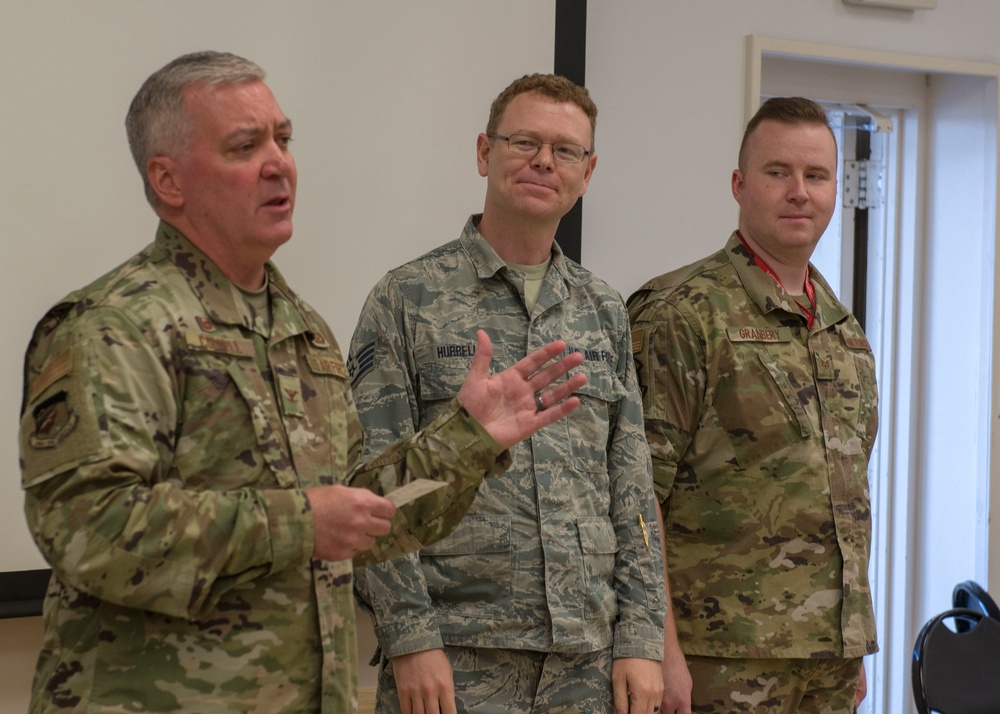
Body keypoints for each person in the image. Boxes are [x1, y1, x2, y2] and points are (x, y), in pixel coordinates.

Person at [18, 51, 588, 714]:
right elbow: (88, 527)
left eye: (283, 139)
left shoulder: (303, 331)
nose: (278, 163)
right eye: (244, 145)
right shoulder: (113, 325)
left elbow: (364, 515)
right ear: (168, 180)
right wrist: (297, 522)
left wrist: (467, 443)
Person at [348, 74, 667, 714]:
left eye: (566, 150)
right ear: (483, 153)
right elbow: (368, 489)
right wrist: (410, 638)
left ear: (588, 171)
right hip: (456, 657)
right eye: (524, 141)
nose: (544, 161)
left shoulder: (604, 308)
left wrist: (642, 636)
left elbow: (630, 483)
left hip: (587, 660)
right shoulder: (406, 300)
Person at [626, 96, 879, 714]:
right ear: (740, 185)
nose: (799, 192)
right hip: (716, 657)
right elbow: (635, 497)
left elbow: (844, 494)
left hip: (828, 662)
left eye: (815, 175)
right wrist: (661, 651)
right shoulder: (681, 313)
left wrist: (846, 643)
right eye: (778, 173)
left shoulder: (844, 333)